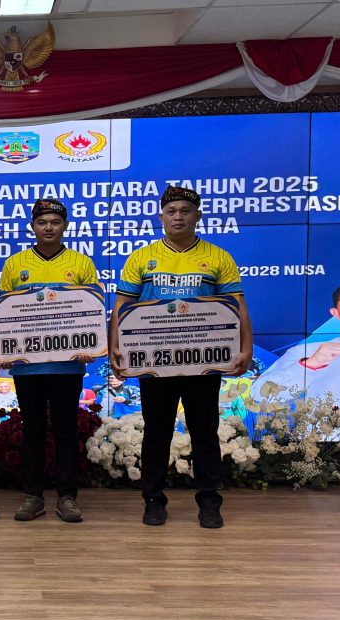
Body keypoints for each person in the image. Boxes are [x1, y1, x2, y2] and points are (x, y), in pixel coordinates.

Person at [109, 186, 253, 529]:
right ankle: (153, 501)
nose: (178, 217)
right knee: (156, 432)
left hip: (202, 362)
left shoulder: (218, 257)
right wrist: (116, 346)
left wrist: (246, 347)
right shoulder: (142, 258)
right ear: (161, 217)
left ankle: (209, 502)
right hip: (155, 363)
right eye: (171, 211)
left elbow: (237, 306)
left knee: (205, 432)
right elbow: (122, 306)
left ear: (197, 216)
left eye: (185, 211)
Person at [0, 199, 101, 524]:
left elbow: (92, 309)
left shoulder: (81, 263)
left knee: (66, 430)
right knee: (32, 430)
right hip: (27, 366)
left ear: (65, 226)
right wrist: (3, 349)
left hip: (68, 365)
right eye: (42, 222)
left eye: (55, 222)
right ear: (32, 226)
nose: (48, 227)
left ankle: (67, 497)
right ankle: (33, 496)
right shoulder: (15, 264)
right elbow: (3, 312)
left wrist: (91, 344)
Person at [254, 279, 340, 413]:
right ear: (336, 314)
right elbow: (261, 396)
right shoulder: (308, 351)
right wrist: (310, 364)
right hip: (336, 431)